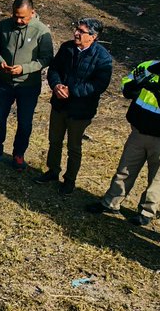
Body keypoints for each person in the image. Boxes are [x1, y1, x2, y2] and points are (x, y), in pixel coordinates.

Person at [86, 42, 160, 226]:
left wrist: (157, 91)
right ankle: (111, 203)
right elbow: (126, 85)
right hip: (139, 132)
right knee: (124, 170)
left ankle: (146, 212)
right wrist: (133, 86)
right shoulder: (148, 67)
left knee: (156, 177)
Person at [37, 18, 113, 194]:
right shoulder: (67, 48)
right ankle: (52, 171)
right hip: (59, 105)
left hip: (81, 111)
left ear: (93, 36)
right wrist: (56, 85)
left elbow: (98, 86)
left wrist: (72, 91)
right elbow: (54, 69)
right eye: (76, 29)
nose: (76, 33)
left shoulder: (103, 58)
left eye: (81, 31)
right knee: (54, 141)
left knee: (74, 147)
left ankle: (70, 180)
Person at [0, 0, 53, 171]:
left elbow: (46, 58)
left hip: (28, 86)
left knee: (24, 122)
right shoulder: (4, 26)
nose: (19, 20)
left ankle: (18, 154)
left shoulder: (42, 31)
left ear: (33, 12)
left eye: (23, 17)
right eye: (16, 16)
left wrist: (24, 69)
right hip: (4, 82)